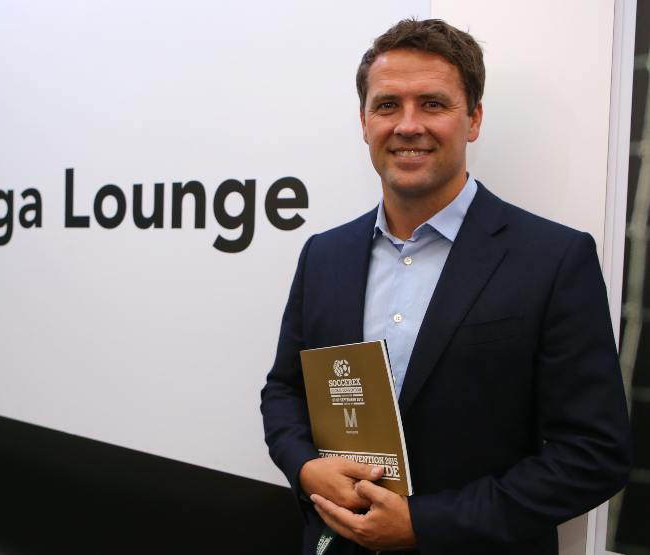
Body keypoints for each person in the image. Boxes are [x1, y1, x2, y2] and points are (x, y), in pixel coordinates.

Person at [260, 18, 631, 555]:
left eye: (432, 104)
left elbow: (594, 454)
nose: (408, 125)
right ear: (364, 122)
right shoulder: (325, 254)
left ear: (473, 119)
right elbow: (284, 391)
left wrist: (426, 523)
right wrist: (306, 467)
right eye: (388, 105)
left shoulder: (552, 259)